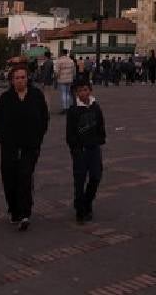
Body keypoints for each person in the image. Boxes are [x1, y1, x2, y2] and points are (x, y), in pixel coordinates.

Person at [0, 66, 49, 231]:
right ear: (12, 80)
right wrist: (2, 137)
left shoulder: (36, 96)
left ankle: (25, 213)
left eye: (23, 77)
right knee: (9, 176)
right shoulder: (5, 98)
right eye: (17, 78)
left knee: (25, 175)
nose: (20, 80)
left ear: (27, 78)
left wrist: (39, 136)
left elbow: (44, 117)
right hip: (9, 145)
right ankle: (14, 209)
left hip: (30, 145)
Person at [66, 79, 106, 223]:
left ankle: (87, 201)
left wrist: (100, 139)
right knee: (79, 180)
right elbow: (70, 134)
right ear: (76, 93)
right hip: (80, 150)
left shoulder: (96, 107)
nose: (84, 93)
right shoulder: (73, 111)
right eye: (80, 90)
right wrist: (76, 148)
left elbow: (101, 125)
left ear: (90, 90)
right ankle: (80, 210)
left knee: (96, 177)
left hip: (94, 148)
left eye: (86, 89)